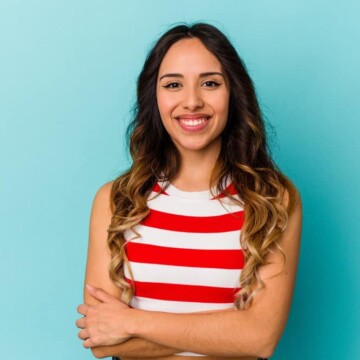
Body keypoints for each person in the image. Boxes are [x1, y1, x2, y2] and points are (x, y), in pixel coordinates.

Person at [76, 22, 302, 360]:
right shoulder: (115, 201)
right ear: (154, 96)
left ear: (234, 93)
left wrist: (132, 322)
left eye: (210, 83)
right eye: (173, 84)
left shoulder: (273, 198)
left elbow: (259, 338)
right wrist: (227, 332)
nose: (192, 101)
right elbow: (103, 341)